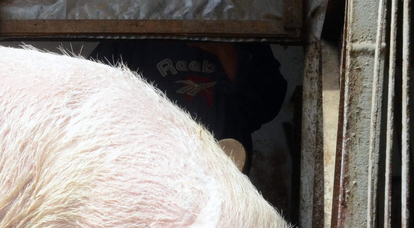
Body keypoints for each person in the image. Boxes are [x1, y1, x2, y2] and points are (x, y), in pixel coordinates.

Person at [88, 40, 287, 172]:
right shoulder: (133, 34)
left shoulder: (242, 31)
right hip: (145, 175)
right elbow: (90, 102)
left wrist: (224, 50)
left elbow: (266, 104)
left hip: (222, 178)